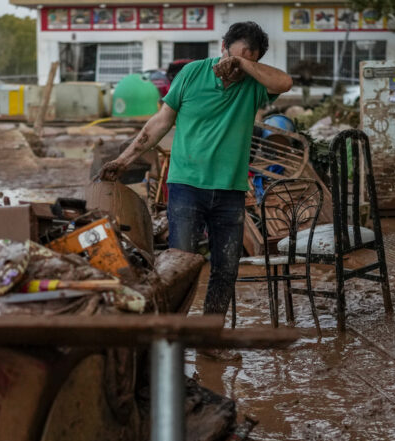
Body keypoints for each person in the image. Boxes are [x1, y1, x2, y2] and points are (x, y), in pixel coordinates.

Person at [99, 22, 292, 320]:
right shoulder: (192, 73)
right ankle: (173, 338)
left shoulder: (254, 83)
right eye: (234, 56)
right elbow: (160, 122)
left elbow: (284, 83)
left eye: (247, 61)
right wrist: (123, 160)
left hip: (230, 191)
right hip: (186, 187)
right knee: (180, 267)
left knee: (226, 270)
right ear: (222, 47)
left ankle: (210, 338)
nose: (236, 67)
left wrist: (243, 63)